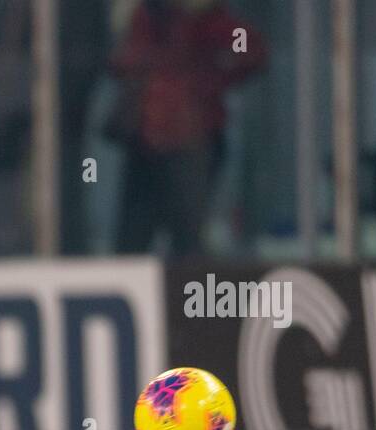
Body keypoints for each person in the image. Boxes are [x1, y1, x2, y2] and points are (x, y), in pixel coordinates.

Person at [109, 0, 266, 256]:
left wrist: (209, 75)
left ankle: (185, 292)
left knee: (186, 237)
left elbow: (250, 51)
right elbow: (120, 61)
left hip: (192, 142)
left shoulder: (206, 19)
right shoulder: (141, 16)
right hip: (146, 142)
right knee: (133, 237)